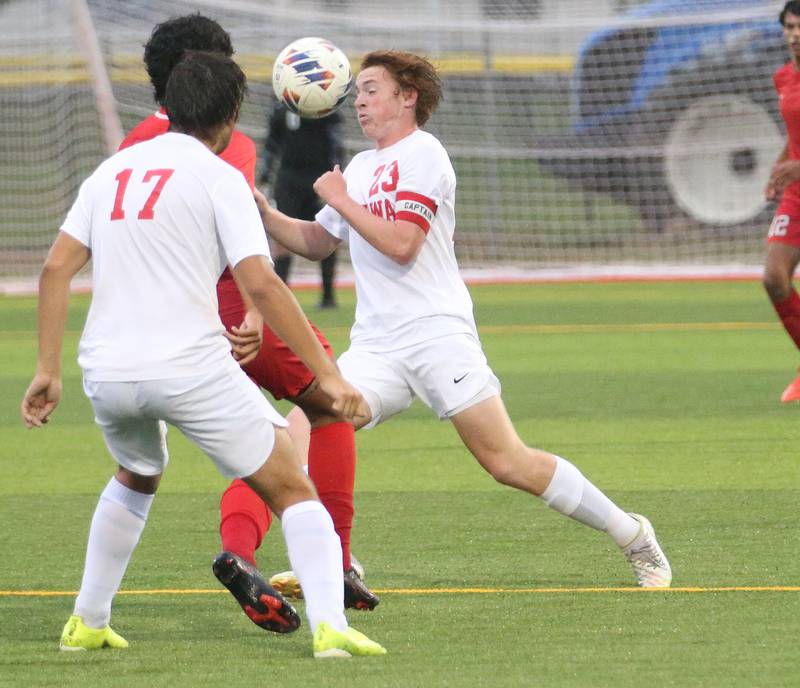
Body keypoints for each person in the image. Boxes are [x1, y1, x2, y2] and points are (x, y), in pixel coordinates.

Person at [257, 50, 672, 595]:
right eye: (357, 91)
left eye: (371, 89)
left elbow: (403, 245)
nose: (358, 100)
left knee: (506, 461)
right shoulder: (359, 168)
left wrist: (338, 199)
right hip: (378, 345)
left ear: (408, 97)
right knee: (302, 430)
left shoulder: (426, 155)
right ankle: (339, 563)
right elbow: (317, 241)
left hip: (436, 333)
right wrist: (265, 213)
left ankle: (631, 532)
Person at [20, 50, 385, 659]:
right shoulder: (221, 176)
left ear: (166, 105)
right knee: (294, 487)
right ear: (233, 113)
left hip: (105, 372)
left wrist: (48, 370)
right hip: (187, 368)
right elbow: (263, 283)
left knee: (137, 474)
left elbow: (56, 266)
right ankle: (331, 628)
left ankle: (87, 621)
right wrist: (329, 376)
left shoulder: (112, 171)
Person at [121, 14, 378, 615]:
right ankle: (335, 562)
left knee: (258, 441)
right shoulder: (224, 143)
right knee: (327, 405)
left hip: (159, 322)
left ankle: (236, 555)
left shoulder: (133, 142)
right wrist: (259, 317)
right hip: (235, 308)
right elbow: (240, 248)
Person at [261, 102, 343, 309]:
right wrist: (265, 168)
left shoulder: (326, 108)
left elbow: (336, 142)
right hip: (289, 180)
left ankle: (328, 297)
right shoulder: (280, 110)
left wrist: (338, 170)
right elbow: (272, 142)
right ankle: (281, 297)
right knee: (282, 239)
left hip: (320, 178)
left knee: (329, 232)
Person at [764, 1, 800, 403]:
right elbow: (794, 133)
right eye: (789, 26)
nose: (795, 33)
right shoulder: (784, 77)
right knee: (774, 277)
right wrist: (779, 169)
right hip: (797, 195)